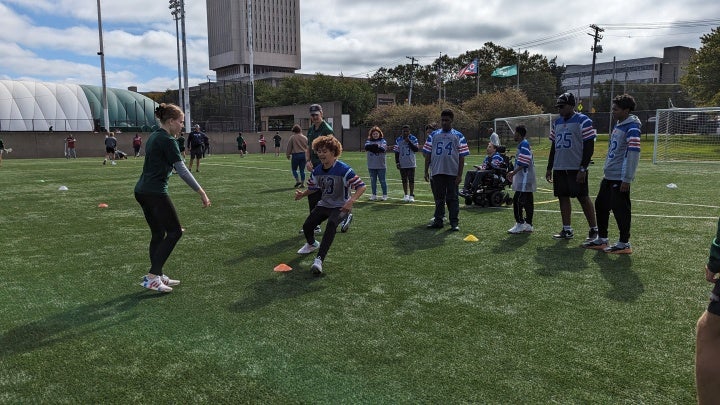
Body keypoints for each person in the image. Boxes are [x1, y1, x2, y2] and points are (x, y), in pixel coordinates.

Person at [134, 103, 210, 293]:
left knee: (159, 234)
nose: (182, 126)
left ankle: (157, 275)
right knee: (175, 232)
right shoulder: (168, 140)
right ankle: (152, 277)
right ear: (170, 121)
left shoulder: (154, 136)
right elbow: (182, 170)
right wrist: (201, 192)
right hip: (154, 192)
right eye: (181, 122)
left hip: (142, 190)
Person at [294, 135, 366, 276]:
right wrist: (302, 194)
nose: (321, 154)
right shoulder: (317, 171)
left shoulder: (344, 170)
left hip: (340, 206)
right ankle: (312, 244)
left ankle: (319, 260)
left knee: (332, 224)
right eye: (319, 151)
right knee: (307, 226)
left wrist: (351, 201)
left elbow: (361, 187)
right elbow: (313, 187)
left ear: (333, 152)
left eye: (324, 151)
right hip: (324, 204)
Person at [582, 94, 641, 253]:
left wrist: (627, 178)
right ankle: (602, 239)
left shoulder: (632, 127)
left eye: (616, 109)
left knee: (620, 209)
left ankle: (624, 243)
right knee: (601, 205)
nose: (612, 112)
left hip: (619, 177)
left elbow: (633, 154)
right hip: (609, 176)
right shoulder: (619, 124)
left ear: (626, 110)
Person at [545, 92, 598, 240]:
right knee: (562, 197)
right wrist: (550, 167)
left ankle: (594, 229)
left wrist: (583, 168)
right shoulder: (557, 122)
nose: (559, 110)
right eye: (558, 107)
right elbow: (554, 146)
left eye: (562, 106)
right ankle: (567, 229)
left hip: (576, 167)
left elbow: (589, 146)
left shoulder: (583, 120)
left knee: (583, 197)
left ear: (571, 105)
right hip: (560, 167)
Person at [423, 109, 469, 231]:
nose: (444, 122)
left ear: (452, 120)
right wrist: (426, 170)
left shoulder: (458, 136)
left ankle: (454, 222)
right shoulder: (433, 135)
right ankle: (438, 220)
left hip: (452, 172)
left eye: (446, 120)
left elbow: (462, 157)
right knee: (439, 198)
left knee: (452, 198)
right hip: (437, 171)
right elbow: (427, 153)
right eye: (442, 120)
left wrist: (459, 175)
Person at [303, 104, 336, 234]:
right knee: (313, 194)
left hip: (325, 166)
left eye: (316, 114)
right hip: (315, 167)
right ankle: (314, 224)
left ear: (321, 113)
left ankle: (344, 216)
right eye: (312, 115)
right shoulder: (311, 130)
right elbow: (308, 147)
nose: (314, 117)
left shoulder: (327, 129)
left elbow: (333, 148)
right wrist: (308, 161)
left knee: (328, 196)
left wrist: (327, 165)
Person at [506, 124, 536, 234]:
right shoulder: (524, 144)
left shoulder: (523, 144)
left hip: (525, 178)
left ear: (518, 134)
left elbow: (524, 163)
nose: (514, 135)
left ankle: (520, 223)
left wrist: (513, 173)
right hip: (527, 177)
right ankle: (528, 224)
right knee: (528, 201)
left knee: (517, 200)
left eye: (515, 133)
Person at [394, 124, 420, 202]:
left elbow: (416, 149)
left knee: (411, 179)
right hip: (402, 162)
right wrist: (397, 162)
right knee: (404, 179)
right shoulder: (398, 139)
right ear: (402, 131)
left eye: (407, 131)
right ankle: (406, 194)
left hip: (411, 162)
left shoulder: (413, 138)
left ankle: (411, 195)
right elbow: (396, 152)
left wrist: (409, 142)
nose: (405, 133)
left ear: (409, 132)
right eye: (404, 131)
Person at [365, 126, 388, 201]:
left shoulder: (383, 141)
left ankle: (384, 195)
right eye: (373, 134)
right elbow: (367, 147)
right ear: (371, 135)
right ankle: (374, 194)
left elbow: (382, 149)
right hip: (371, 165)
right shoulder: (368, 141)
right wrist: (375, 147)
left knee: (382, 180)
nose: (375, 135)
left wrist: (373, 148)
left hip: (381, 165)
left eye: (376, 134)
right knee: (373, 181)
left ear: (379, 134)